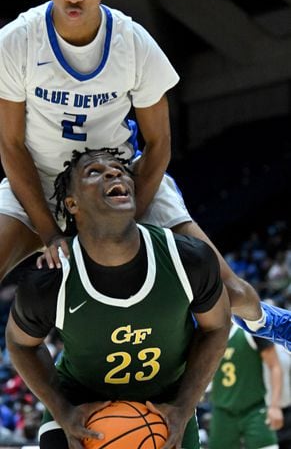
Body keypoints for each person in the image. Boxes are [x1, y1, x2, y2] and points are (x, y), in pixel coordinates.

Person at [0, 0, 289, 351]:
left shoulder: (133, 43)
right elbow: (11, 145)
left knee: (232, 291)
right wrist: (50, 233)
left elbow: (159, 143)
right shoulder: (16, 41)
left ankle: (266, 321)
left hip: (117, 183)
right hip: (39, 179)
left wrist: (120, 225)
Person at [5, 149, 231, 449]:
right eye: (94, 172)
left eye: (120, 169)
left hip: (166, 408)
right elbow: (20, 343)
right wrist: (62, 410)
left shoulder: (187, 258)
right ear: (72, 204)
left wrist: (185, 405)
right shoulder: (50, 279)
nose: (114, 173)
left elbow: (217, 326)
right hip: (81, 410)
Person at [208, 323, 284, 449]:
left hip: (254, 410)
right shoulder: (207, 334)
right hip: (222, 412)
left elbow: (275, 366)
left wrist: (275, 406)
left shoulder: (252, 329)